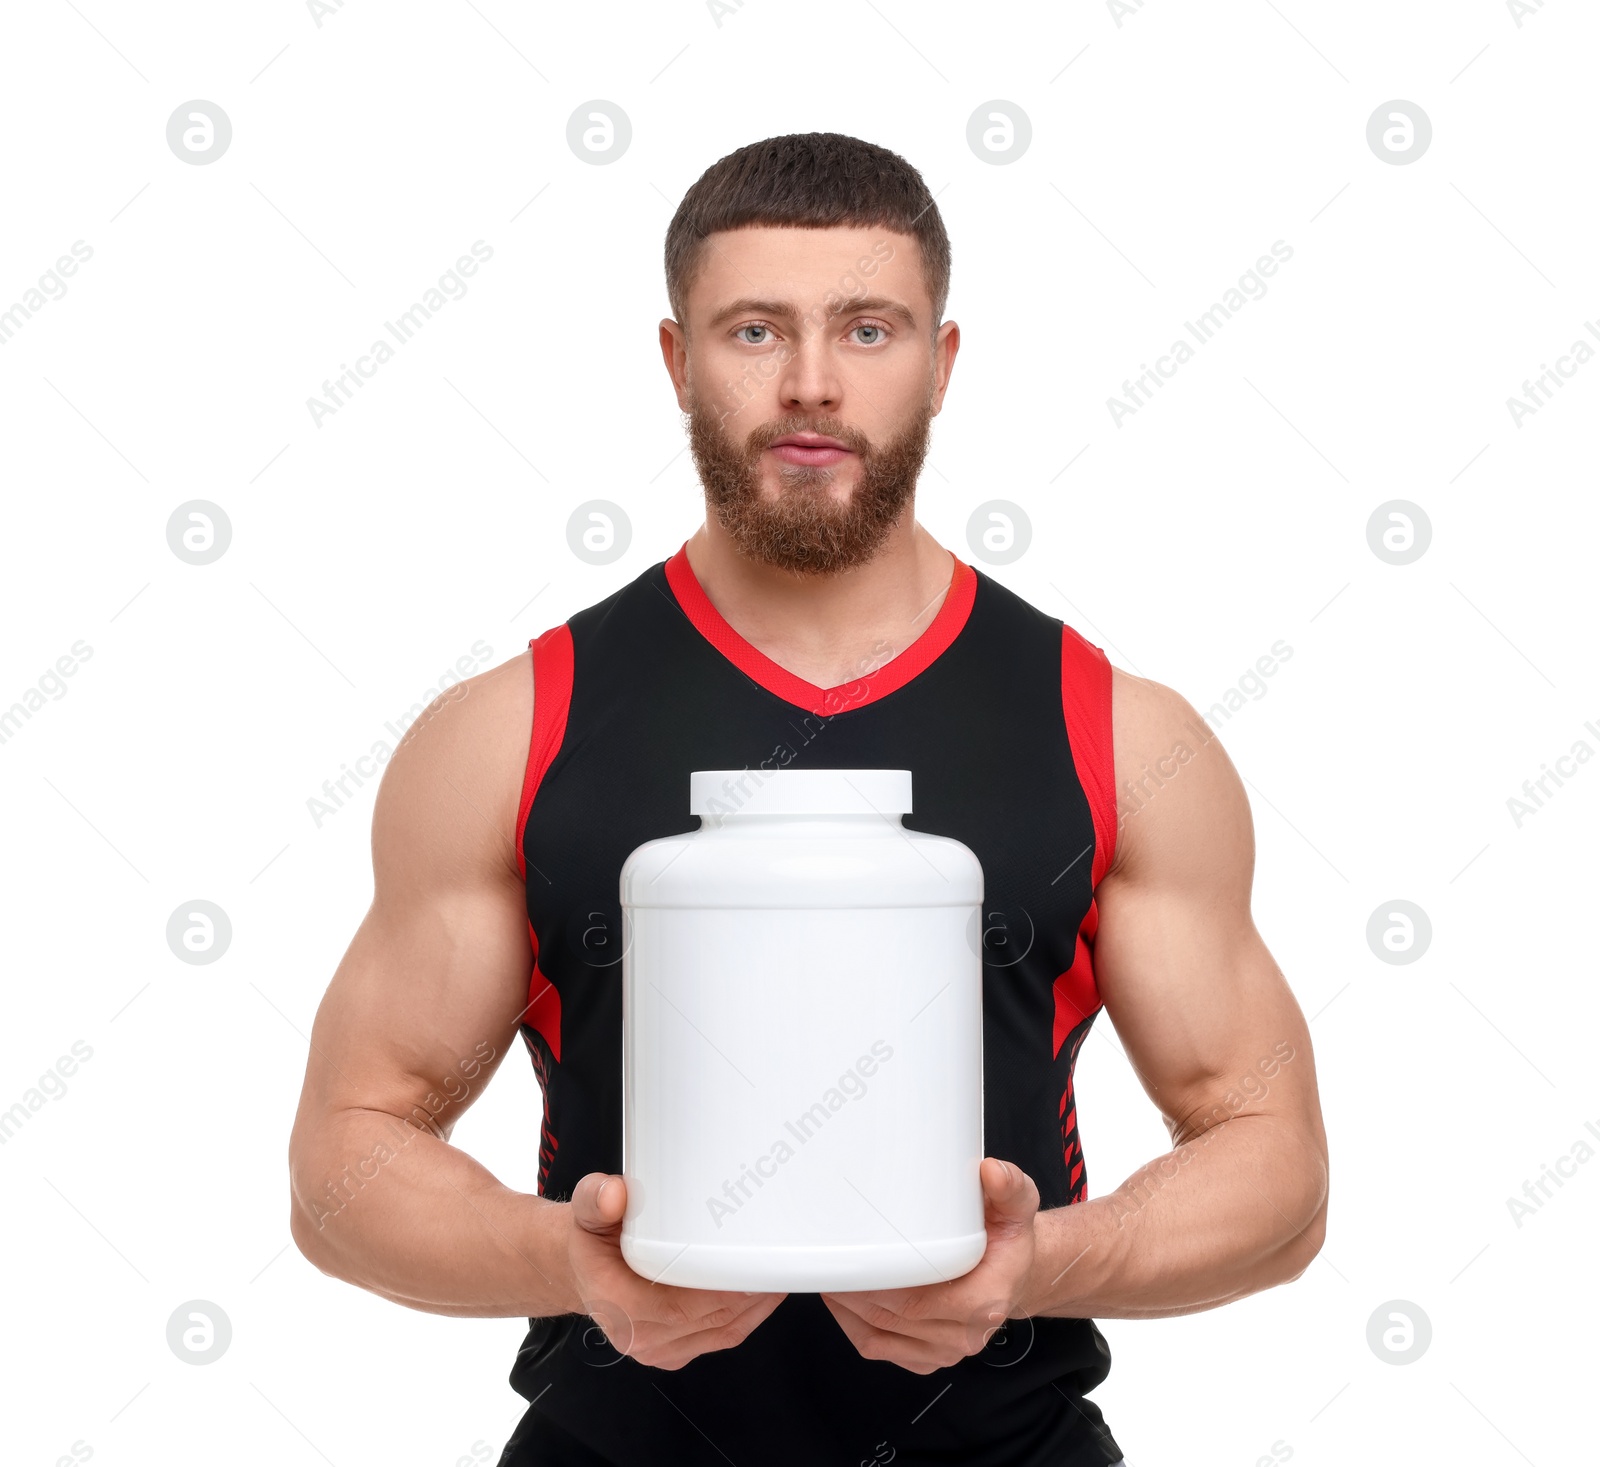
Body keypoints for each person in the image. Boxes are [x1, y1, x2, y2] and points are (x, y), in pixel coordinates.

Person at [287, 132, 1328, 1467]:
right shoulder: (511, 732)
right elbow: (344, 1166)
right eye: (756, 330)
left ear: (943, 365)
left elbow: (1275, 1162)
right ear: (677, 361)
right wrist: (574, 1259)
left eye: (870, 329)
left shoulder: (1115, 733)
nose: (814, 384)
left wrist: (1042, 1264)